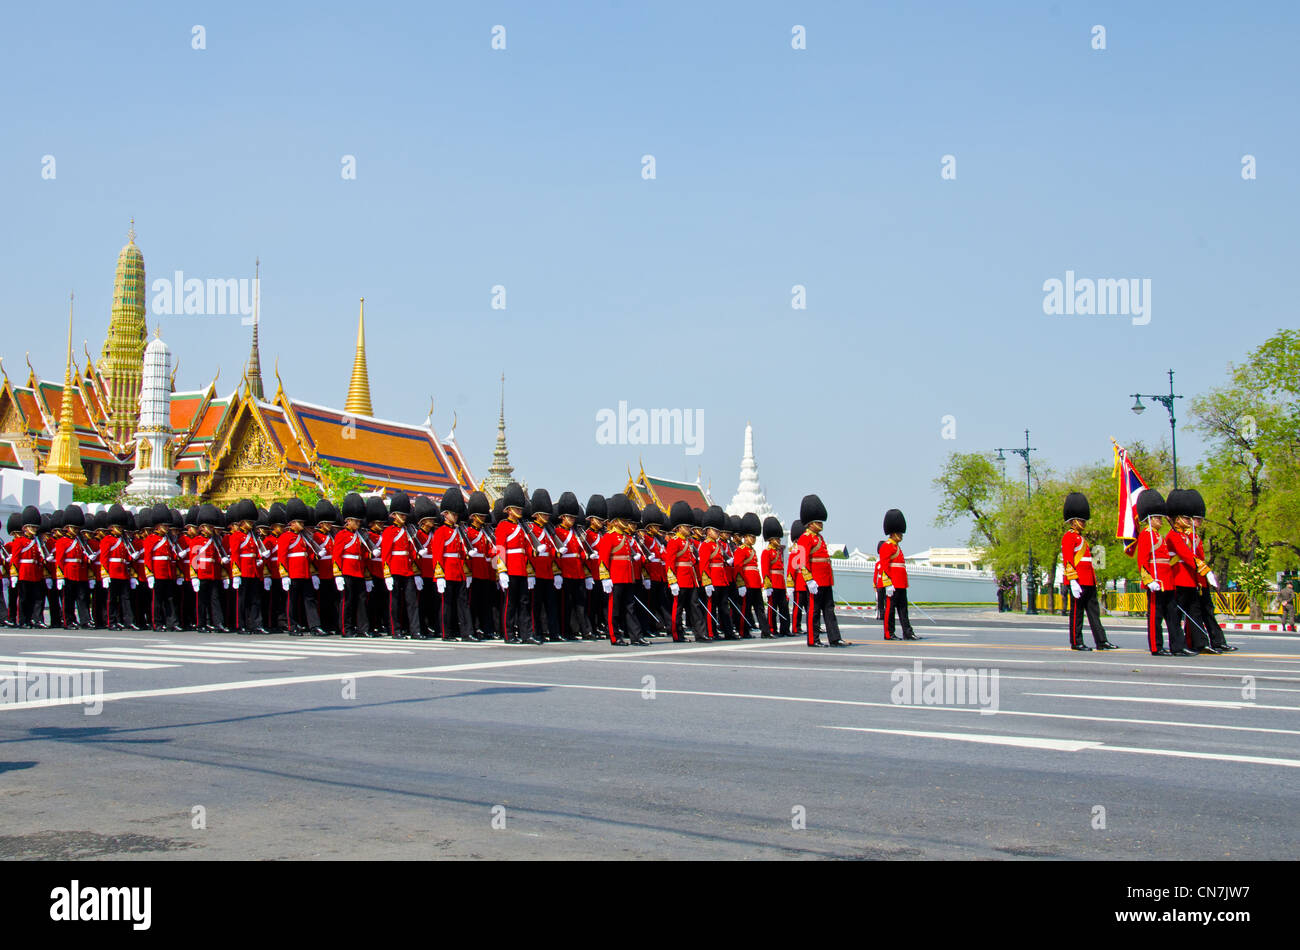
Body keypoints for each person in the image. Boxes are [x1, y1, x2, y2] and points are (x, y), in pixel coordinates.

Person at [1127, 490, 1190, 656]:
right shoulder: (1146, 535)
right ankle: (1156, 646)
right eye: (1158, 518)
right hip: (1156, 582)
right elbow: (1142, 560)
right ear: (1150, 518)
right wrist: (1148, 580)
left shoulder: (1157, 535)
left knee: (1172, 616)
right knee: (1156, 617)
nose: (1160, 521)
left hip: (1166, 581)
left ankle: (1178, 646)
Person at [1061, 492, 1119, 651]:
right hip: (1078, 581)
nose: (1083, 522)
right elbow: (1068, 560)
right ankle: (1076, 641)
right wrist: (1072, 581)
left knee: (1094, 613)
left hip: (1088, 581)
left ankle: (1101, 641)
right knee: (1077, 614)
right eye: (1080, 520)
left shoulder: (1081, 538)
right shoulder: (1069, 537)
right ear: (1073, 521)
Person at [796, 494, 850, 647]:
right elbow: (802, 562)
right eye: (818, 521)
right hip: (815, 581)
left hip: (825, 580)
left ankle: (835, 638)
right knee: (814, 611)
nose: (821, 524)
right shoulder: (805, 538)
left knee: (829, 610)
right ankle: (813, 639)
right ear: (810, 523)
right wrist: (809, 580)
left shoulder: (819, 538)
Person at [596, 494, 648, 646]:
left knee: (630, 608)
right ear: (615, 521)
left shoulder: (625, 537)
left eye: (626, 519)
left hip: (627, 577)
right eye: (623, 520)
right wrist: (605, 578)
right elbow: (603, 559)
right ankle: (614, 636)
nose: (626, 522)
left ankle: (636, 636)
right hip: (615, 578)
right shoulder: (609, 537)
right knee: (614, 609)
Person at [878, 509, 922, 641]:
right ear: (893, 533)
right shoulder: (887, 546)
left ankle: (907, 632)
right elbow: (884, 567)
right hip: (893, 584)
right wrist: (888, 584)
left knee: (903, 610)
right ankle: (889, 633)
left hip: (901, 584)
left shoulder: (896, 547)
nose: (901, 535)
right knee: (890, 610)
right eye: (899, 533)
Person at [332, 493, 372, 638]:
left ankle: (363, 628)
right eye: (356, 521)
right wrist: (338, 574)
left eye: (359, 521)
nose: (358, 524)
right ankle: (346, 628)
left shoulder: (360, 535)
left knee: (361, 601)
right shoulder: (341, 535)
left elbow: (363, 555)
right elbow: (337, 556)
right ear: (348, 521)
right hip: (347, 571)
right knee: (346, 602)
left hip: (358, 571)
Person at [760, 516, 791, 637]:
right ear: (770, 539)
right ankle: (772, 629)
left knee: (784, 608)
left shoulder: (778, 552)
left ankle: (785, 629)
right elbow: (765, 570)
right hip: (773, 584)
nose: (778, 540)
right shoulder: (766, 552)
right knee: (772, 609)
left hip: (780, 584)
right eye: (776, 538)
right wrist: (767, 585)